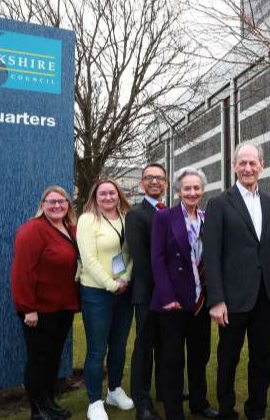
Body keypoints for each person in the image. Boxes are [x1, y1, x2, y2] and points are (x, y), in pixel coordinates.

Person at [204, 143, 270, 420]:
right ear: (234, 166)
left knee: (263, 358)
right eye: (243, 163)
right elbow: (211, 255)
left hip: (266, 296)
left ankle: (256, 410)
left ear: (262, 165)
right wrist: (216, 300)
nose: (248, 168)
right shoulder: (218, 203)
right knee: (228, 358)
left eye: (253, 163)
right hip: (232, 298)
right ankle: (227, 411)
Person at [151, 167, 217, 420]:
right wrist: (167, 297)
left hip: (200, 301)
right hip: (173, 302)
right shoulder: (164, 218)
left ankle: (199, 404)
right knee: (172, 360)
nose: (192, 192)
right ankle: (174, 410)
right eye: (187, 188)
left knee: (200, 356)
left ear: (203, 190)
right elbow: (157, 259)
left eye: (196, 188)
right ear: (178, 191)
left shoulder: (206, 217)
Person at [11, 185, 80, 420]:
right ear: (42, 205)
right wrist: (27, 308)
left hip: (63, 308)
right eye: (51, 201)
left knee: (52, 359)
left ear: (68, 205)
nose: (57, 205)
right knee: (39, 360)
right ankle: (38, 410)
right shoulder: (32, 230)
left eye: (62, 201)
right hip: (39, 310)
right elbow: (22, 272)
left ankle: (49, 403)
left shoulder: (70, 229)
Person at [76, 178, 134, 420]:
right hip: (97, 292)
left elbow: (130, 253)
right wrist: (111, 284)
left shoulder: (125, 216)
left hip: (123, 290)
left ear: (119, 195)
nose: (109, 197)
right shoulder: (87, 220)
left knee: (119, 345)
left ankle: (114, 389)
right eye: (103, 194)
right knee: (97, 349)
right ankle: (94, 401)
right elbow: (88, 259)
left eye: (112, 193)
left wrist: (126, 278)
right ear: (95, 196)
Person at [126, 164, 168, 420]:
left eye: (159, 178)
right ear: (142, 183)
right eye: (150, 178)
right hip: (148, 293)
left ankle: (164, 390)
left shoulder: (171, 211)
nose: (155, 182)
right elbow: (141, 261)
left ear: (165, 183)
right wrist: (163, 288)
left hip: (169, 295)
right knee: (144, 348)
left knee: (166, 345)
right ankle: (142, 402)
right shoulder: (135, 215)